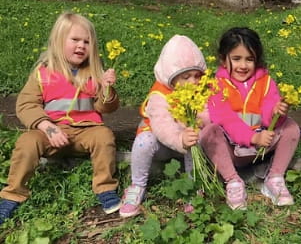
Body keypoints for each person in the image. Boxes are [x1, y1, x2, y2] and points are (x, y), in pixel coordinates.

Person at [0, 12, 121, 225]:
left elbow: (106, 108)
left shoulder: (94, 74)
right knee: (27, 142)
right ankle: (13, 194)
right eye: (75, 40)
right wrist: (47, 127)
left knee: (104, 136)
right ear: (58, 41)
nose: (81, 46)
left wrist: (107, 89)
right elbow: (26, 105)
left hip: (86, 131)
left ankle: (105, 188)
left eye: (87, 41)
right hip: (51, 132)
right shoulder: (43, 73)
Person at [199, 27, 301, 210]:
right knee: (208, 132)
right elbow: (225, 118)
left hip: (262, 147)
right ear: (223, 60)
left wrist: (277, 111)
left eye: (250, 59)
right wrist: (252, 137)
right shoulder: (215, 84)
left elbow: (269, 111)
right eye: (236, 59)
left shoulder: (266, 81)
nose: (243, 66)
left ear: (257, 60)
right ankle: (233, 181)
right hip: (232, 151)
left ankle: (275, 178)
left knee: (291, 126)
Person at [119, 35, 208, 218]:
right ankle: (137, 185)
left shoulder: (203, 90)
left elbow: (209, 114)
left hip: (189, 144)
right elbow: (162, 125)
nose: (194, 82)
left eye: (197, 75)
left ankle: (194, 187)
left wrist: (196, 125)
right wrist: (179, 139)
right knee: (144, 140)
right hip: (163, 145)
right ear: (171, 77)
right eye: (186, 77)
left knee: (195, 139)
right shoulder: (159, 95)